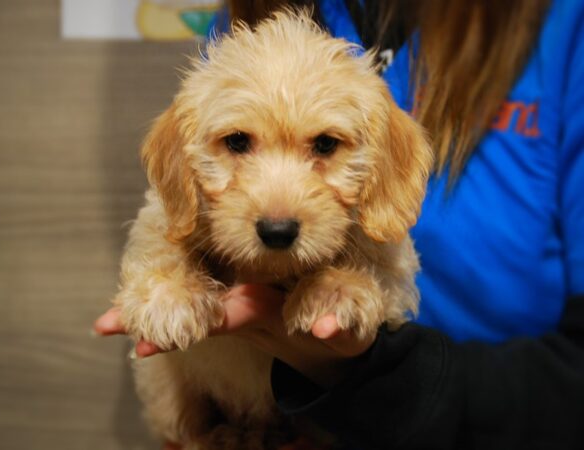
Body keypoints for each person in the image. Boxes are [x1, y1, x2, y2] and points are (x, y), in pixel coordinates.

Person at [96, 0, 584, 448]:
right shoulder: (248, 18)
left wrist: (368, 368)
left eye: (325, 145)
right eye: (239, 143)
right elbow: (170, 213)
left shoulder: (561, 26)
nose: (277, 213)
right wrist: (167, 276)